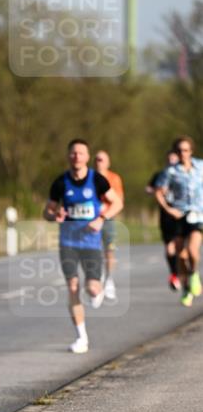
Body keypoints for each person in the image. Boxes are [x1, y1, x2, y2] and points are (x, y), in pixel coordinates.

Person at [43, 138, 123, 354]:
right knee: (72, 287)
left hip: (91, 243)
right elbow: (47, 211)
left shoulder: (97, 180)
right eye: (73, 153)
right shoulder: (60, 183)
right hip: (68, 242)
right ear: (68, 156)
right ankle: (81, 337)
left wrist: (102, 218)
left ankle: (97, 288)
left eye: (80, 153)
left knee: (92, 289)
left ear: (87, 157)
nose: (76, 156)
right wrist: (54, 215)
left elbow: (117, 203)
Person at [153, 136, 203, 307]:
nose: (183, 153)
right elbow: (158, 192)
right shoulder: (171, 172)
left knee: (193, 251)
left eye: (186, 150)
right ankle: (186, 288)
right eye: (180, 150)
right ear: (176, 152)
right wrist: (169, 209)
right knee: (180, 255)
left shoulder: (200, 166)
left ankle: (194, 274)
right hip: (178, 216)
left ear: (191, 151)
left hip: (197, 215)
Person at [145, 151, 182, 291]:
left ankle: (186, 273)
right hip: (166, 215)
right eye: (169, 159)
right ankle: (174, 274)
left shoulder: (184, 175)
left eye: (174, 158)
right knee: (169, 247)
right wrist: (156, 190)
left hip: (181, 214)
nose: (171, 161)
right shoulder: (160, 175)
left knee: (182, 248)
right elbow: (148, 188)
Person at [93, 150, 125, 301]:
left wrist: (106, 211)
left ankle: (109, 280)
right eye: (97, 159)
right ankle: (96, 281)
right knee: (93, 251)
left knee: (109, 251)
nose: (99, 162)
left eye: (102, 160)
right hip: (91, 219)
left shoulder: (114, 178)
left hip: (108, 219)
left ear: (108, 162)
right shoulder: (89, 177)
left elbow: (119, 201)